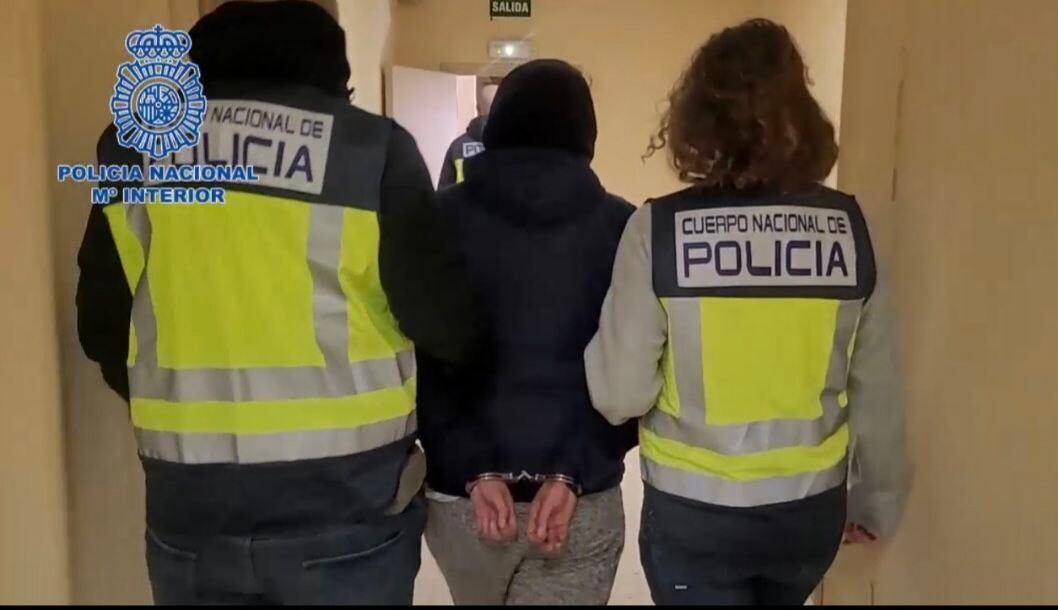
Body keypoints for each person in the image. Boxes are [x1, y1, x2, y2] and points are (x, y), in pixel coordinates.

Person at [76, 1, 482, 604]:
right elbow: (442, 321)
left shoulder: (132, 150)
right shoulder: (370, 149)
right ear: (330, 75)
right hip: (348, 505)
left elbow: (101, 326)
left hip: (190, 510)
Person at [584, 19, 909, 606]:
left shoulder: (659, 231)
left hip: (694, 518)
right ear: (800, 112)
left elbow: (618, 395)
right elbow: (878, 391)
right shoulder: (849, 229)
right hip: (806, 514)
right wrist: (875, 502)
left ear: (696, 117)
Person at [417, 59, 638, 605]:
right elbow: (634, 369)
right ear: (588, 133)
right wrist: (571, 472)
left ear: (497, 125)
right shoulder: (623, 228)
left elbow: (418, 359)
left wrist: (474, 467)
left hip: (463, 498)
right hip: (578, 500)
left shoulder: (435, 219)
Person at [437, 82, 498, 189]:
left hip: (463, 199)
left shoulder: (457, 146)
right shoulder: (515, 145)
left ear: (477, 108)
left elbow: (442, 192)